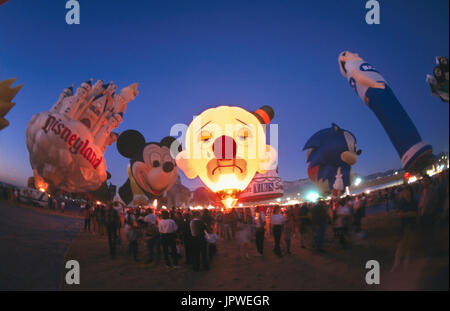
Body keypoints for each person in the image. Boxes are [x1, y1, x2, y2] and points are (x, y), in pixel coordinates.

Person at [391, 186, 418, 272]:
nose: (406, 193)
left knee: (409, 244)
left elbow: (416, 213)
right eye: (405, 192)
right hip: (404, 225)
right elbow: (399, 213)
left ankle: (406, 263)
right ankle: (397, 264)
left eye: (408, 191)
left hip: (412, 225)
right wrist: (409, 213)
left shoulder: (414, 202)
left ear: (411, 192)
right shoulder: (402, 203)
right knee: (401, 244)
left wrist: (405, 214)